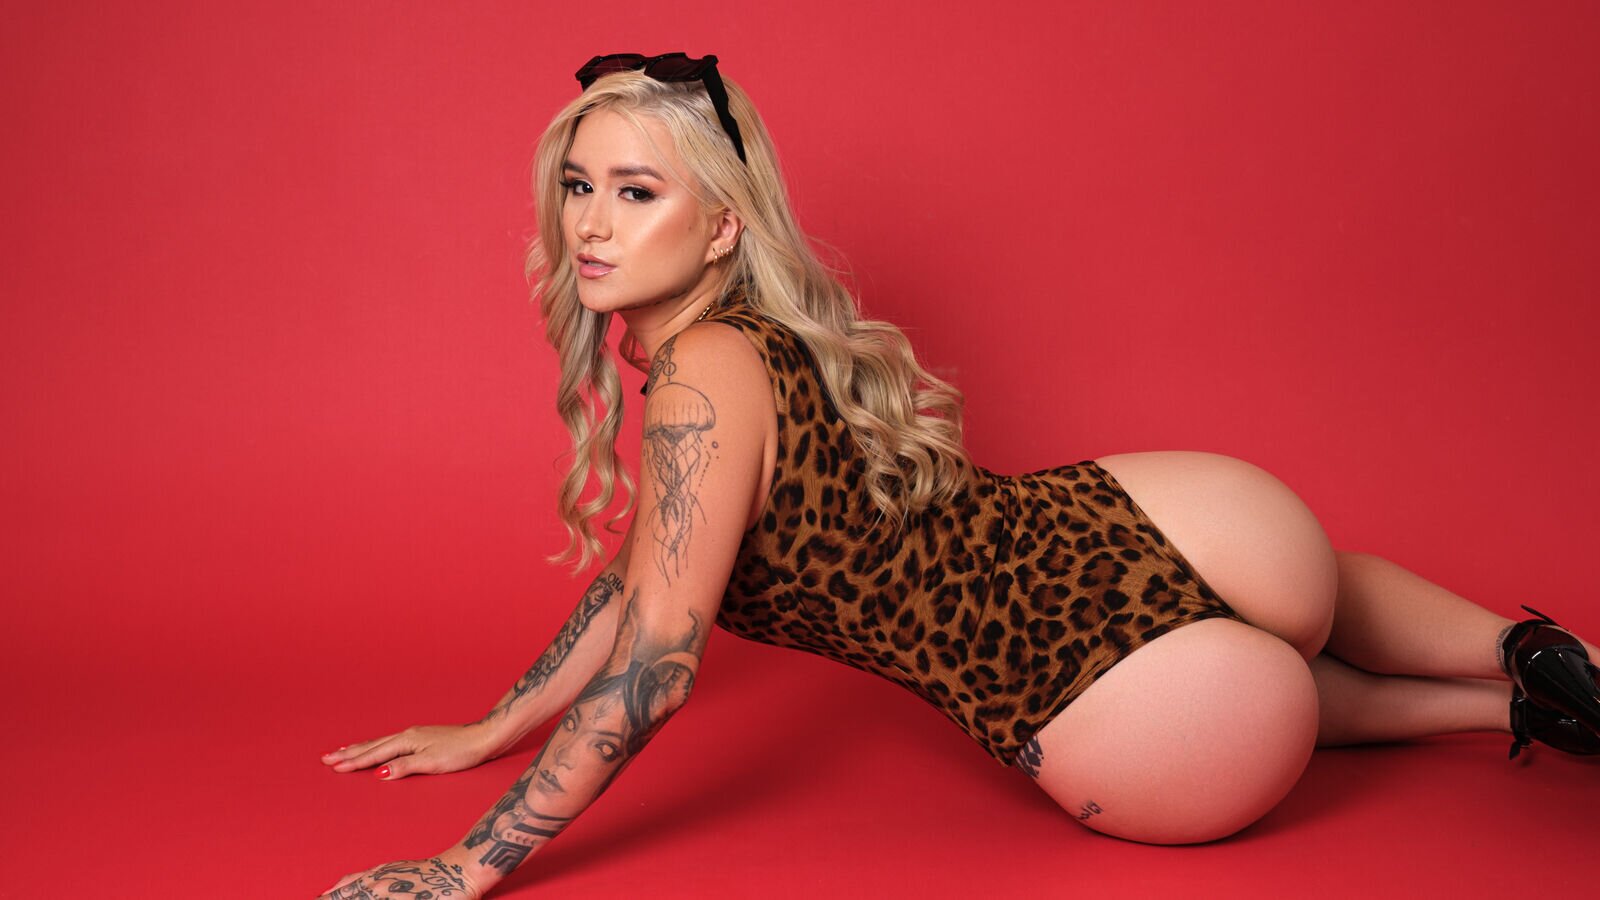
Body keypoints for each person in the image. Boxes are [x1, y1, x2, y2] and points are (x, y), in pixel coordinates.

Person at [317, 53, 1600, 898]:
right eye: (577, 186)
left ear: (719, 228)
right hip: (1183, 520)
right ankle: (1533, 665)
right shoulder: (756, 340)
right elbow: (642, 575)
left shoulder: (701, 375)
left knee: (1269, 692)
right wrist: (495, 724)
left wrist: (467, 866)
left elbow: (659, 653)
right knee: (1295, 626)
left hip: (1093, 693)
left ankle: (1511, 703)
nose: (591, 223)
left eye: (635, 191)